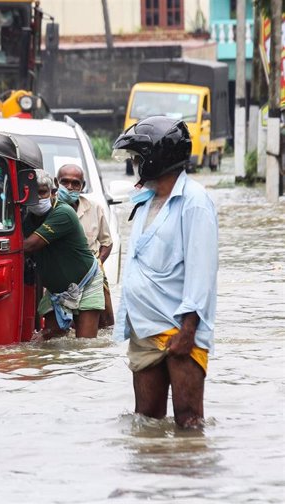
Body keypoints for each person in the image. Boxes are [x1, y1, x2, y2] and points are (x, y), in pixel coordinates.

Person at [111, 116, 218, 428]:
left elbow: (202, 271)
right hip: (144, 327)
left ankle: (188, 476)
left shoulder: (194, 202)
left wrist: (188, 331)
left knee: (188, 421)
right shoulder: (145, 200)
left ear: (156, 158)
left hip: (179, 329)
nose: (135, 164)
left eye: (138, 158)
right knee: (146, 423)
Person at [24, 169, 105, 340]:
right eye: (33, 193)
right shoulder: (27, 218)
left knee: (85, 346)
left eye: (42, 192)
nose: (38, 198)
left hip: (86, 282)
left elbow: (29, 245)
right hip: (56, 291)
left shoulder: (63, 213)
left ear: (53, 193)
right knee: (51, 345)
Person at [55, 163, 115, 328]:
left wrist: (97, 264)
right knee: (57, 329)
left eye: (75, 183)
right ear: (56, 183)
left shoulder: (94, 208)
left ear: (83, 187)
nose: (69, 187)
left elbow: (107, 243)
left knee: (104, 326)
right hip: (59, 277)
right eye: (64, 182)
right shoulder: (50, 210)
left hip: (91, 276)